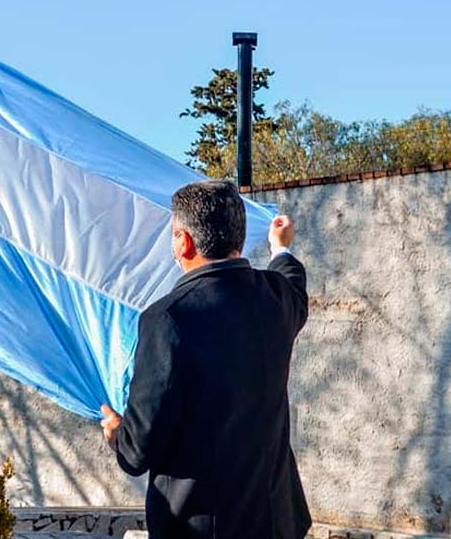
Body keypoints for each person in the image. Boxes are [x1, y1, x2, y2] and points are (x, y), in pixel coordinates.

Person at [100, 180, 311, 539]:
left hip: (199, 527)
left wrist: (118, 434)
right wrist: (280, 249)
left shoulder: (168, 319)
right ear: (238, 238)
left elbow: (138, 451)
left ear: (184, 242)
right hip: (277, 522)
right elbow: (291, 279)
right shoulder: (277, 299)